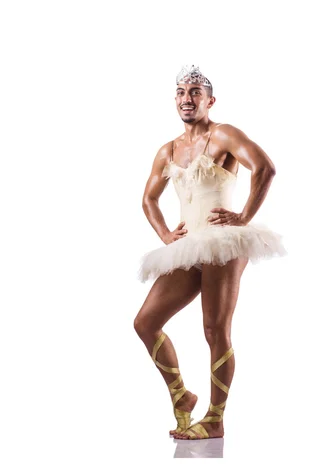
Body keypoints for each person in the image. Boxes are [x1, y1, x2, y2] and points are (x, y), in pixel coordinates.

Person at [133, 65, 285, 440]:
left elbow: (264, 168)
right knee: (145, 323)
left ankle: (215, 419)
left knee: (215, 328)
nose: (187, 98)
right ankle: (182, 395)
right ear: (175, 100)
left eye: (195, 92)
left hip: (224, 243)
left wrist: (244, 216)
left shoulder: (224, 134)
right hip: (188, 245)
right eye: (182, 92)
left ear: (209, 100)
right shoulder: (168, 149)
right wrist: (166, 233)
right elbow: (148, 199)